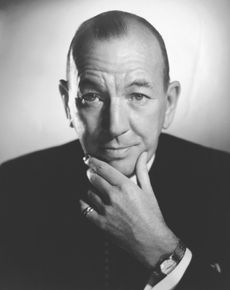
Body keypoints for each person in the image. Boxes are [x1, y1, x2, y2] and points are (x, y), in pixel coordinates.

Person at [1, 10, 229, 290]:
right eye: (92, 96)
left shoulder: (223, 181)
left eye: (137, 96)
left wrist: (162, 250)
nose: (115, 126)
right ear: (67, 104)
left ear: (168, 104)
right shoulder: (12, 186)